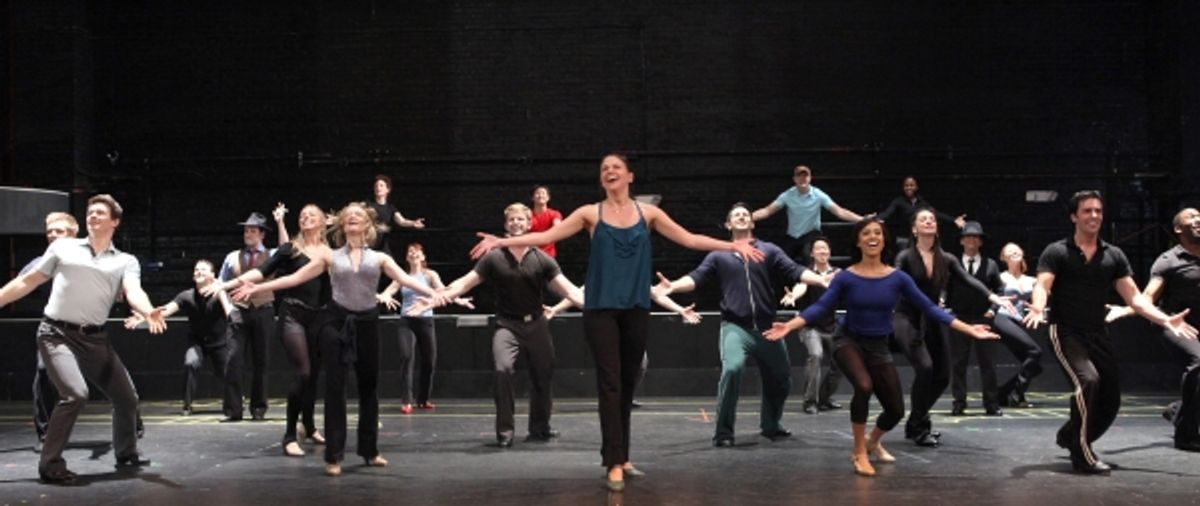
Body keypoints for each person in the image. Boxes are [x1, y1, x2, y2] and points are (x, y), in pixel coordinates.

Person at [470, 152, 765, 492]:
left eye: (616, 168)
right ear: (602, 179)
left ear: (630, 176)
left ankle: (622, 455)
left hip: (636, 308)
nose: (609, 171)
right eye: (604, 169)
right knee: (610, 383)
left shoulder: (648, 213)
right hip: (601, 310)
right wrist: (501, 241)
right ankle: (613, 461)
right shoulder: (589, 213)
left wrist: (733, 247)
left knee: (626, 383)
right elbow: (543, 238)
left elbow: (690, 239)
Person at [764, 219, 998, 477]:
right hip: (848, 340)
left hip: (878, 346)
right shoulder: (846, 277)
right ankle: (859, 452)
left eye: (878, 233)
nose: (872, 237)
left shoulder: (898, 278)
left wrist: (969, 329)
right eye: (866, 233)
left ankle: (872, 441)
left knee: (896, 410)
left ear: (884, 240)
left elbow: (929, 308)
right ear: (858, 241)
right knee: (864, 386)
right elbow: (821, 307)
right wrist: (790, 326)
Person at [233, 202, 448, 477]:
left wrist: (439, 295)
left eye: (358, 217)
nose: (353, 221)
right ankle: (334, 456)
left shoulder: (379, 258)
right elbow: (294, 278)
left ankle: (369, 451)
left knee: (369, 387)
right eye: (348, 219)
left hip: (367, 323)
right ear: (343, 226)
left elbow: (406, 279)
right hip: (336, 323)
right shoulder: (330, 257)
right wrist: (259, 286)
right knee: (335, 388)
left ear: (368, 226)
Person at [1023, 190, 1196, 474]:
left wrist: (1166, 320)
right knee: (1088, 382)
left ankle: (1071, 436)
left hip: (1097, 333)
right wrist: (1039, 308)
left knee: (1111, 399)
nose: (1094, 216)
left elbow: (1136, 299)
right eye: (1087, 211)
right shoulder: (1057, 251)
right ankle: (1082, 455)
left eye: (1098, 211)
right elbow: (1042, 285)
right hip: (1066, 332)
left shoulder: (1113, 255)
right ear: (1074, 216)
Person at [0, 194, 167, 484]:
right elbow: (28, 281)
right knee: (75, 394)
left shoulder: (125, 261)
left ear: (115, 221)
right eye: (90, 212)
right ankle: (50, 464)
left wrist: (148, 310)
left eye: (100, 213)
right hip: (56, 333)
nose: (93, 216)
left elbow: (133, 291)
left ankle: (126, 452)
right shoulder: (63, 247)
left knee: (127, 398)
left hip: (95, 340)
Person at [652, 202, 828, 447]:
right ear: (728, 224)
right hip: (736, 327)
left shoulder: (769, 250)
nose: (742, 217)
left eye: (746, 214)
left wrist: (820, 280)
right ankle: (724, 433)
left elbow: (796, 271)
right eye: (736, 215)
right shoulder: (718, 255)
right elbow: (695, 278)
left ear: (752, 222)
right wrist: (672, 286)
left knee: (781, 379)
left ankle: (771, 425)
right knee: (732, 369)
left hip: (768, 327)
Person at [414, 203, 583, 448]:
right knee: (502, 370)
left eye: (520, 220)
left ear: (529, 224)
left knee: (543, 376)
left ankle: (540, 427)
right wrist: (438, 297)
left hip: (536, 324)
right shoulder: (493, 257)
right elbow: (465, 283)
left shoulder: (542, 259)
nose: (516, 223)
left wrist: (600, 306)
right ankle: (505, 432)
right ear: (506, 225)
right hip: (507, 326)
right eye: (511, 220)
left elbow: (570, 291)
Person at [209, 204, 331, 455]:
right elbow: (261, 271)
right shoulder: (290, 249)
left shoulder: (330, 253)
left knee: (315, 374)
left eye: (312, 215)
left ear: (321, 222)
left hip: (319, 316)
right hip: (292, 313)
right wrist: (225, 285)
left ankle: (308, 425)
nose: (306, 217)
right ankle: (289, 436)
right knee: (303, 372)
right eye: (302, 216)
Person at [893, 209, 1015, 447]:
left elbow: (969, 280)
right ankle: (919, 425)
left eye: (932, 219)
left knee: (942, 376)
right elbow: (892, 278)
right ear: (914, 228)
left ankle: (916, 421)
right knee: (926, 369)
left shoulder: (946, 258)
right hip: (907, 317)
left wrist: (992, 297)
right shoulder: (906, 256)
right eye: (923, 219)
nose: (929, 221)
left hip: (933, 318)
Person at [1105, 207, 1200, 452]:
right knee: (1199, 362)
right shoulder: (1169, 261)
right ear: (1178, 229)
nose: (1198, 219)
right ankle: (1186, 435)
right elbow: (1146, 298)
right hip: (1175, 324)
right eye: (1191, 217)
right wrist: (1125, 310)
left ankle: (1178, 410)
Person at [126, 260, 242, 420]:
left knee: (226, 373)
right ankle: (187, 404)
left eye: (203, 269)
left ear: (212, 275)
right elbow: (166, 309)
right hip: (197, 342)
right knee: (190, 362)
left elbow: (230, 310)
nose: (198, 272)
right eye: (196, 270)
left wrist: (221, 290)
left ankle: (232, 404)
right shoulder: (186, 296)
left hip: (220, 342)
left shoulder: (220, 294)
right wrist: (146, 315)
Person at [378, 242, 469, 414]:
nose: (413, 254)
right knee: (406, 356)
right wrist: (384, 296)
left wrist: (458, 300)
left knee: (429, 360)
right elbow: (389, 291)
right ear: (407, 257)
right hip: (407, 320)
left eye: (417, 252)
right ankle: (406, 401)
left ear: (423, 256)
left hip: (425, 320)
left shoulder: (429, 275)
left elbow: (443, 290)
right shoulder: (402, 277)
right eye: (410, 252)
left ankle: (423, 398)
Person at [217, 211, 283, 420]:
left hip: (263, 310)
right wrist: (229, 309)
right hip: (239, 311)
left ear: (262, 234)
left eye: (253, 230)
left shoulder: (272, 255)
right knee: (233, 360)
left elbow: (287, 249)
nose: (248, 234)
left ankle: (258, 408)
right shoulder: (232, 257)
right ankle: (233, 409)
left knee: (261, 361)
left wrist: (280, 221)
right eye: (246, 230)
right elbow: (220, 285)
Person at [22, 212, 78, 453]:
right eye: (50, 232)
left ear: (73, 234)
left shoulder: (88, 258)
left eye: (60, 231)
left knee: (110, 378)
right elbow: (19, 286)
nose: (53, 235)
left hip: (86, 328)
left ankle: (131, 425)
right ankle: (45, 435)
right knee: (44, 372)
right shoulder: (38, 263)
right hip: (53, 329)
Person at [750, 164, 867, 265]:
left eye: (805, 176)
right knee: (780, 259)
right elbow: (768, 210)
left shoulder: (819, 195)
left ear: (810, 178)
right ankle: (785, 289)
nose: (802, 179)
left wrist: (862, 219)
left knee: (809, 256)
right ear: (794, 179)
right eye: (799, 176)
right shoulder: (787, 195)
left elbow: (839, 211)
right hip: (793, 236)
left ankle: (812, 288)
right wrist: (748, 218)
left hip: (811, 235)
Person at [947, 221, 1006, 416]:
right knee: (958, 363)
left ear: (980, 242)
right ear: (962, 241)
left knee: (987, 363)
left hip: (984, 318)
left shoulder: (990, 264)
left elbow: (1000, 290)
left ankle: (991, 403)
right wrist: (942, 300)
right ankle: (959, 403)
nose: (972, 240)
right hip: (960, 319)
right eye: (968, 237)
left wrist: (993, 310)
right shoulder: (953, 263)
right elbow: (944, 286)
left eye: (976, 237)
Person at [781, 236, 844, 414]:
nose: (823, 251)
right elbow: (802, 286)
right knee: (815, 355)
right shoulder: (807, 272)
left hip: (831, 326)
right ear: (812, 253)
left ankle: (824, 398)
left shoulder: (838, 273)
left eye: (825, 248)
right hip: (810, 326)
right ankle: (810, 401)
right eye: (819, 249)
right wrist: (794, 295)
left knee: (842, 362)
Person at [992, 242, 1045, 408]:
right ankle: (1016, 396)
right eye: (1009, 251)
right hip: (1001, 318)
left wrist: (1039, 310)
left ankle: (1001, 394)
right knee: (1035, 351)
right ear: (1003, 258)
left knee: (1034, 367)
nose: (1014, 252)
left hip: (1018, 320)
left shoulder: (1032, 280)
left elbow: (1041, 297)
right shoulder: (1000, 277)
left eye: (1017, 250)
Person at [874, 176, 966, 250]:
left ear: (916, 187)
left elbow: (936, 214)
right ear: (903, 187)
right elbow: (888, 212)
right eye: (906, 185)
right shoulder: (899, 201)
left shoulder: (922, 202)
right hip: (904, 239)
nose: (909, 188)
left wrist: (954, 220)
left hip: (918, 239)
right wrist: (877, 219)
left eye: (911, 185)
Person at [369, 174, 425, 255]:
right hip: (370, 245)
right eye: (376, 186)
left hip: (383, 246)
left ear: (388, 189)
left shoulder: (390, 208)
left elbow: (402, 221)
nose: (378, 188)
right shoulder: (369, 205)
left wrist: (413, 223)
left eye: (381, 185)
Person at [530, 185, 563, 257]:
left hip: (548, 255)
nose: (540, 195)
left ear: (548, 198)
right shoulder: (527, 215)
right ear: (532, 198)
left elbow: (558, 230)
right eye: (537, 193)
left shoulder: (555, 214)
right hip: (530, 254)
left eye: (543, 193)